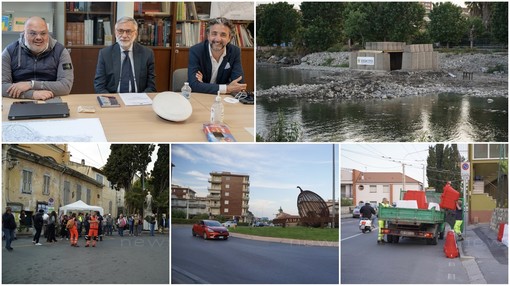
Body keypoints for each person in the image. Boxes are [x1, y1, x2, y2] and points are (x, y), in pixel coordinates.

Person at [2, 16, 73, 100]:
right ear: (24, 34)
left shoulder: (61, 51)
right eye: (33, 33)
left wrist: (31, 84)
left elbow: (65, 86)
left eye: (43, 33)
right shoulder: (10, 51)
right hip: (19, 101)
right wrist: (32, 94)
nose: (39, 37)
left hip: (51, 100)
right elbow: (2, 86)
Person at [94, 16, 156, 93]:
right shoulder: (105, 54)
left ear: (136, 33)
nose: (124, 36)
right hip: (114, 98)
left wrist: (141, 100)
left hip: (139, 99)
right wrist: (111, 100)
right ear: (115, 32)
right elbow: (99, 86)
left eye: (128, 31)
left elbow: (151, 86)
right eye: (120, 31)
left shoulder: (147, 54)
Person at [188, 17, 247, 94]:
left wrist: (203, 85)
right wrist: (227, 88)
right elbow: (193, 85)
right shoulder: (196, 51)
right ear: (208, 36)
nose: (218, 39)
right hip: (200, 97)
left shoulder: (235, 52)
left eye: (223, 35)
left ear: (230, 38)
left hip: (222, 99)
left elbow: (238, 85)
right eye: (214, 34)